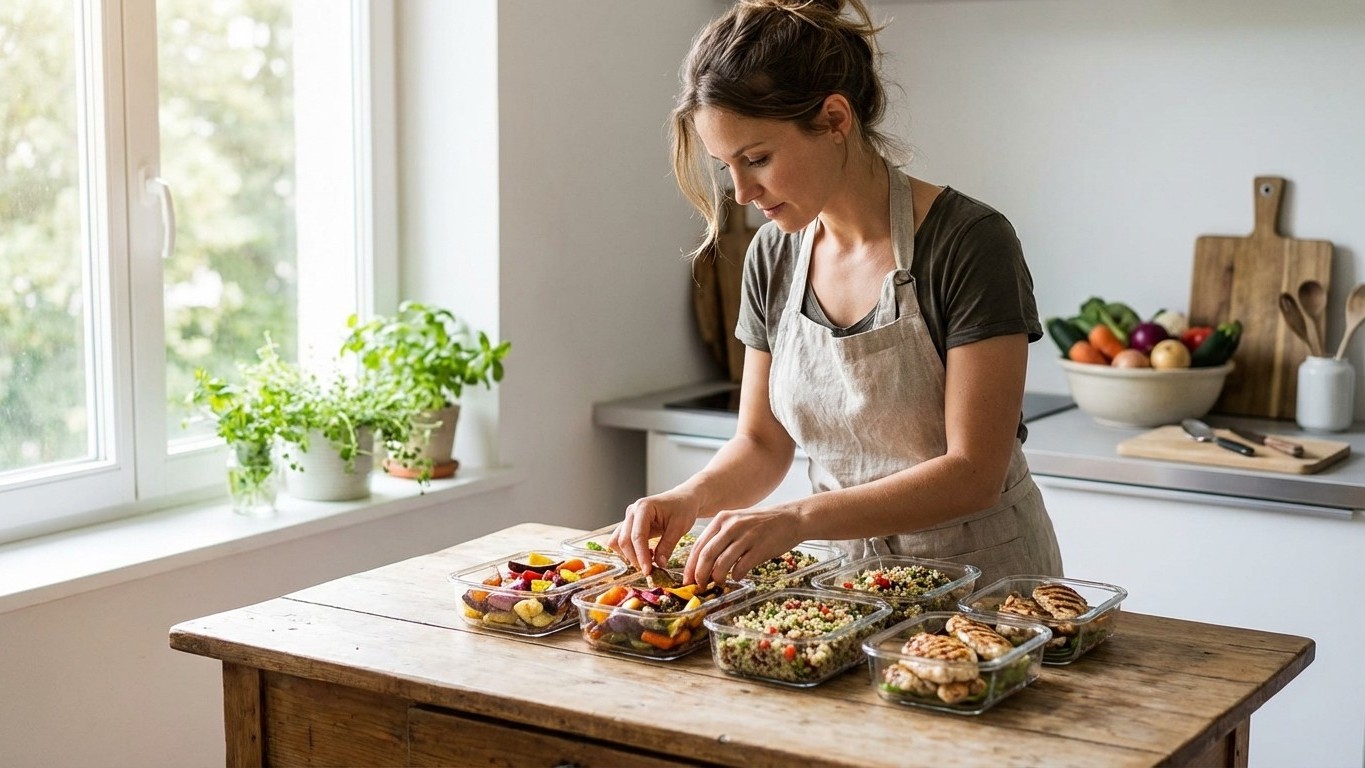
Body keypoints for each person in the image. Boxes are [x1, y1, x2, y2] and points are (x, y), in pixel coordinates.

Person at [609, 0, 1064, 589]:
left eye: (758, 159)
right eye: (727, 168)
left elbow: (973, 471)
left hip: (989, 587)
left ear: (833, 119)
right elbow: (760, 442)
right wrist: (686, 499)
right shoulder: (771, 257)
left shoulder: (969, 242)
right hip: (849, 588)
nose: (743, 193)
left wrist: (797, 518)